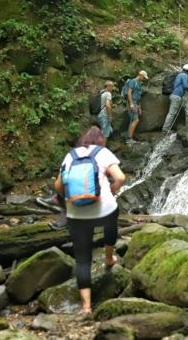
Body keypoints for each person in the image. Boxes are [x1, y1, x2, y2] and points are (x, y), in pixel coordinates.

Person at [54, 126, 126, 314]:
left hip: (77, 213)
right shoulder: (103, 153)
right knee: (111, 224)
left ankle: (86, 307)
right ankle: (109, 257)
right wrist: (112, 189)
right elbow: (120, 177)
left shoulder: (70, 156)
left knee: (83, 259)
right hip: (104, 209)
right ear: (100, 140)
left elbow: (58, 186)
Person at [162, 64, 188, 133]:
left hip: (177, 96)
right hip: (177, 97)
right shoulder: (184, 75)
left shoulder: (179, 75)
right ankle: (165, 129)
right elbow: (185, 86)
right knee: (172, 113)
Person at [125, 70, 148, 144]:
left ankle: (129, 137)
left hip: (137, 103)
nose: (144, 79)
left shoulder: (139, 83)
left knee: (133, 120)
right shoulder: (133, 81)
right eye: (143, 77)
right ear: (140, 75)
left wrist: (140, 108)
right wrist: (131, 104)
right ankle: (129, 139)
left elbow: (139, 96)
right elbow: (129, 93)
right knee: (135, 120)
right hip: (132, 103)